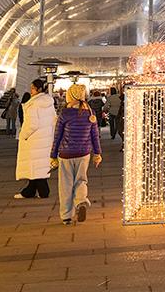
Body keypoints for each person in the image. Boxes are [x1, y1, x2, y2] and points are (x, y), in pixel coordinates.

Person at [50, 83, 102, 225]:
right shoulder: (90, 113)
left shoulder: (65, 113)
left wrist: (53, 155)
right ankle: (80, 202)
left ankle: (66, 216)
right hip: (84, 153)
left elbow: (57, 136)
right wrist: (97, 154)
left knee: (65, 184)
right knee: (81, 180)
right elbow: (95, 136)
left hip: (66, 154)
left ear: (70, 95)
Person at [15, 79, 56, 200]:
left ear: (38, 89)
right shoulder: (49, 102)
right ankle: (30, 190)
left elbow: (32, 124)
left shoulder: (33, 104)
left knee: (35, 165)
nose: (30, 90)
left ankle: (43, 191)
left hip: (34, 139)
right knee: (38, 166)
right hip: (45, 138)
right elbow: (53, 120)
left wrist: (23, 135)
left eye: (32, 88)